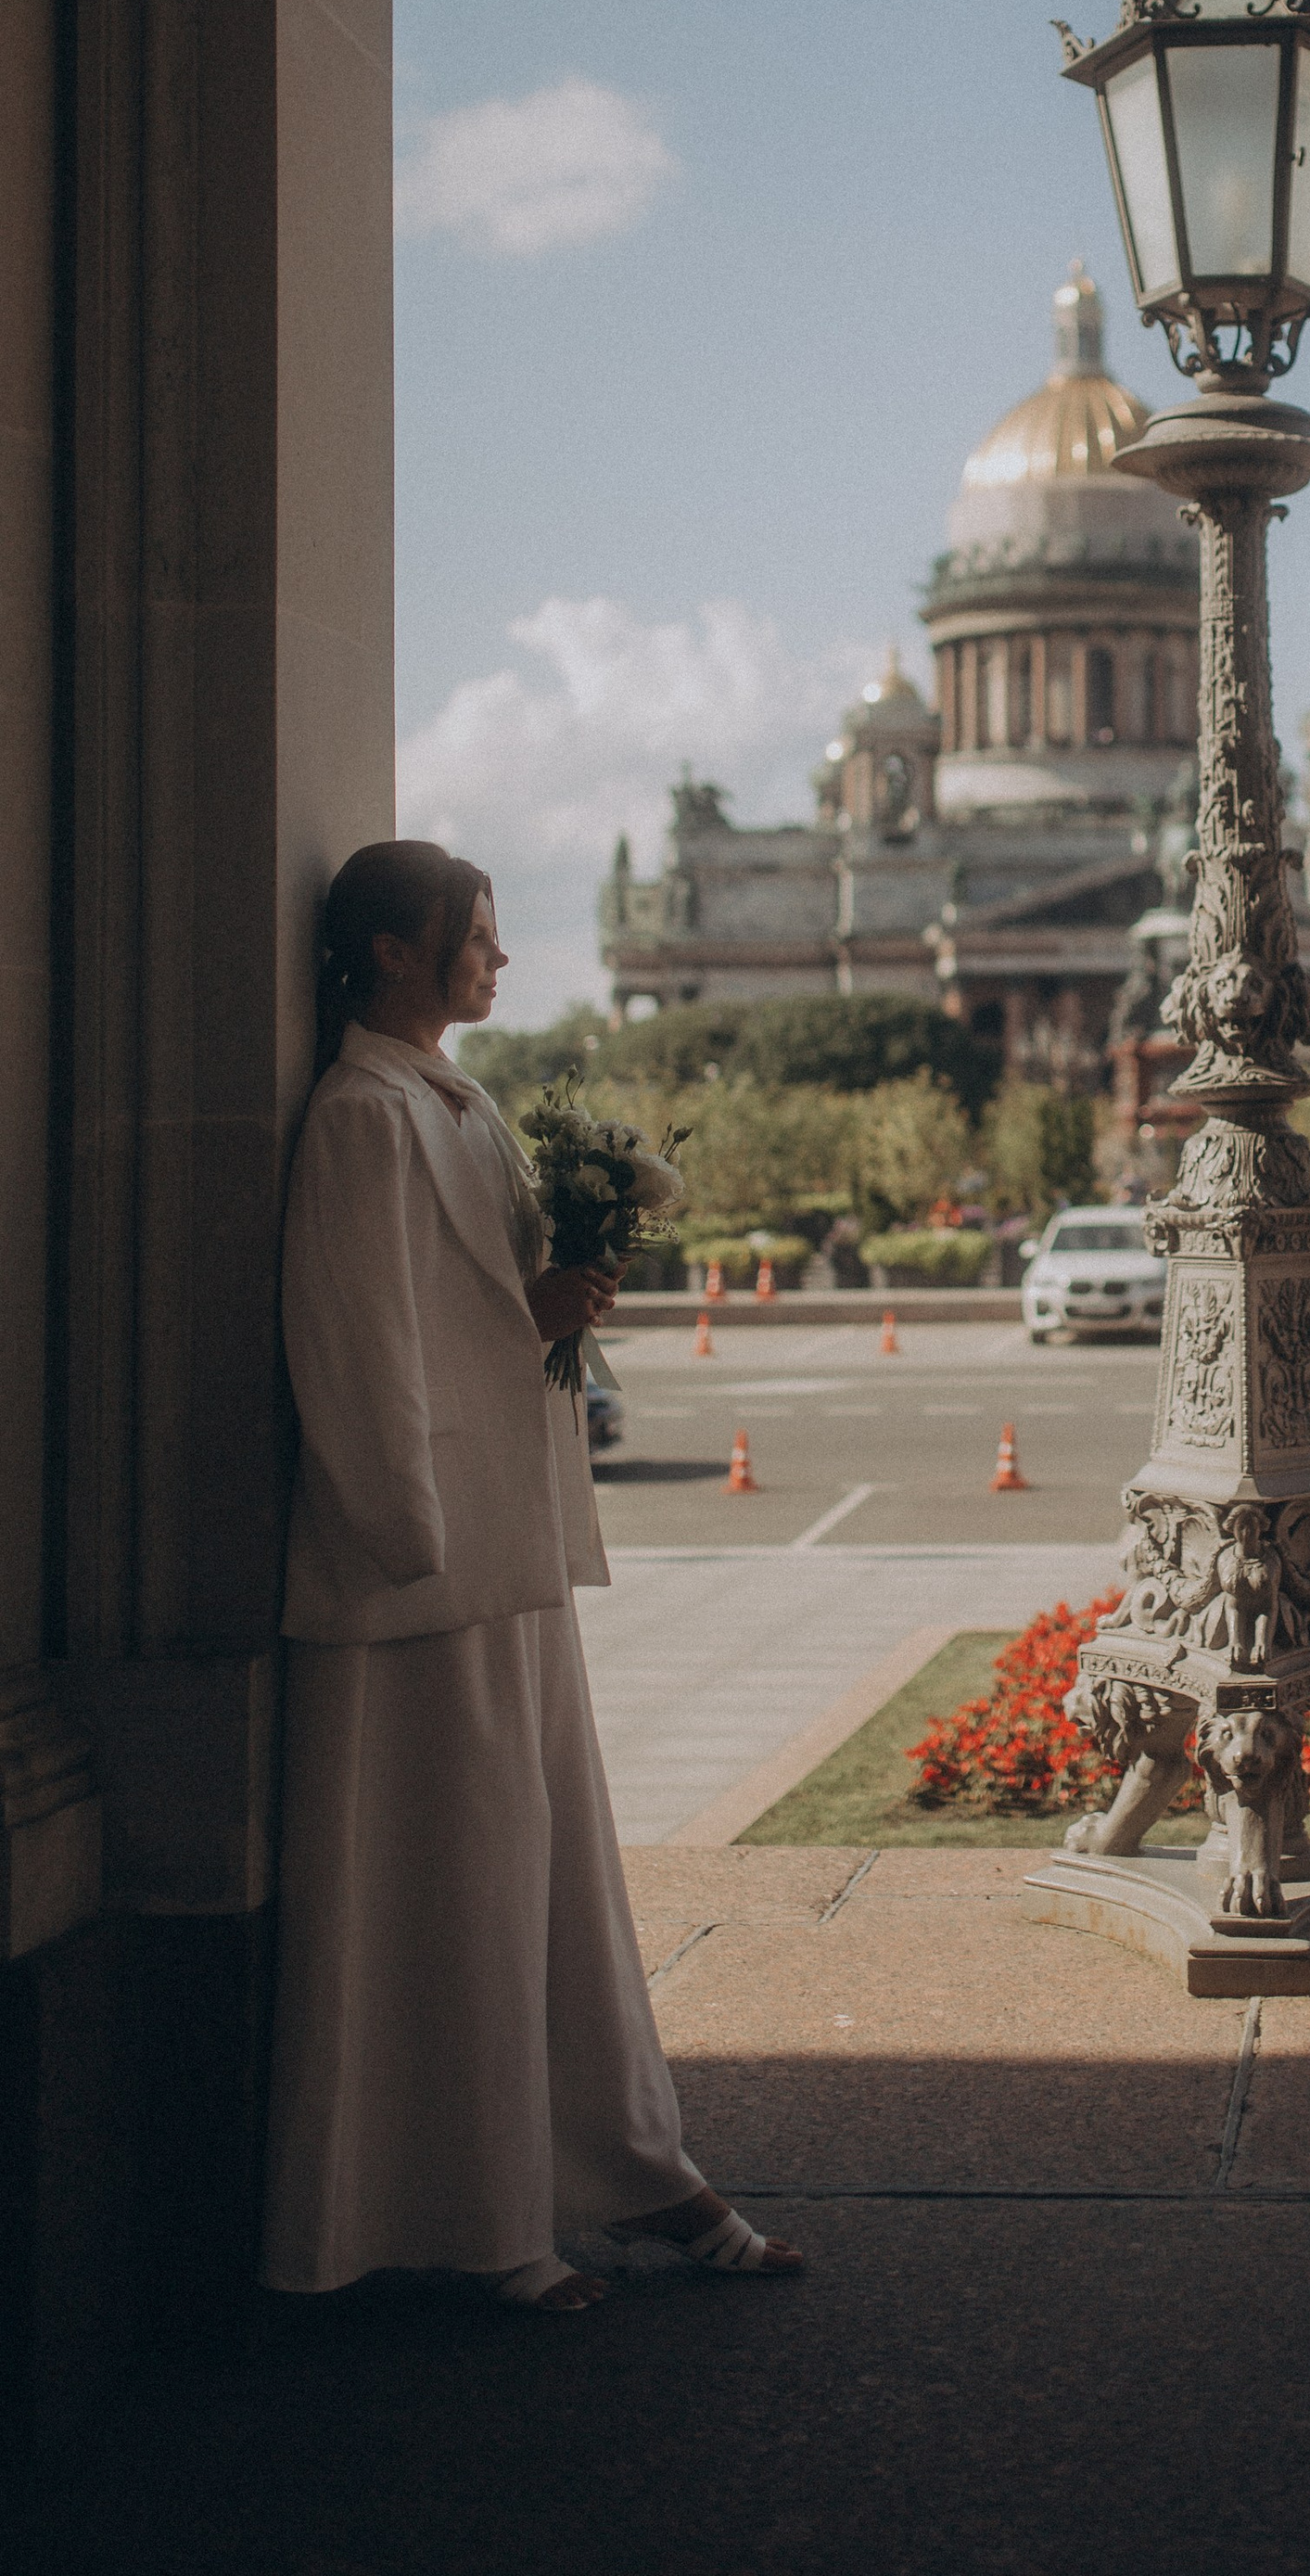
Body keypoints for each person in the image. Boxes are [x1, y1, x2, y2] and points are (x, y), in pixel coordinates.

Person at [261, 839, 801, 2314]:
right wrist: (410, 1530)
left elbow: (468, 1317)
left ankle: (628, 2167)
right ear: (390, 952)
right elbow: (359, 1343)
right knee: (456, 1902)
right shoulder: (365, 1117)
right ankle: (485, 2224)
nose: (499, 959)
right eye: (475, 936)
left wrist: (554, 1297)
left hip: (496, 1562)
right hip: (423, 1577)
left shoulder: (452, 1100)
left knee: (544, 1887)